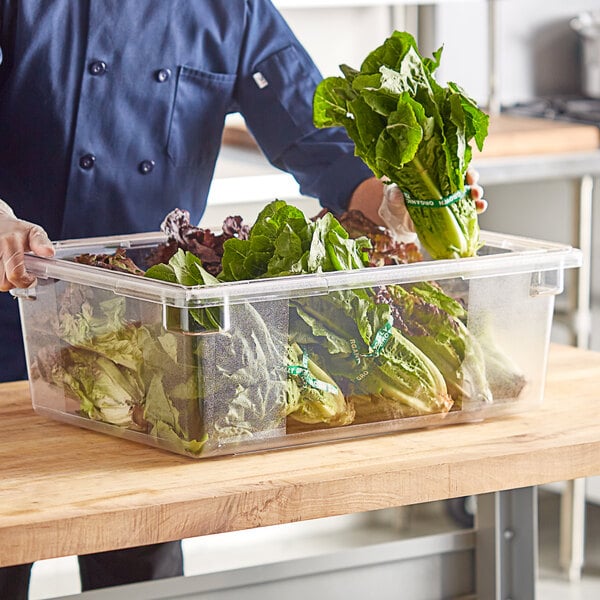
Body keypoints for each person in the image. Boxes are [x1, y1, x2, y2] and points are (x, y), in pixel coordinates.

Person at [0, 1, 485, 597]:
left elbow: (318, 141)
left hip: (149, 341)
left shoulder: (232, 10)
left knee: (139, 558)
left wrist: (391, 201)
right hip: (9, 316)